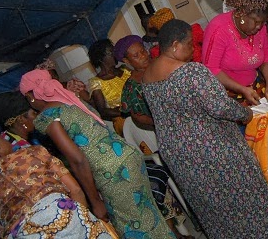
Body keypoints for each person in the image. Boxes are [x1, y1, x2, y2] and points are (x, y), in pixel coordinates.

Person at [142, 19, 268, 239]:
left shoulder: (147, 75)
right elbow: (220, 107)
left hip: (177, 154)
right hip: (212, 148)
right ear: (174, 45)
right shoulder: (191, 72)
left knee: (213, 208)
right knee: (247, 195)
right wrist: (246, 114)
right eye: (189, 44)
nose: (193, 50)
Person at [18, 69, 173, 238]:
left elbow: (77, 160)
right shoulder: (70, 99)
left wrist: (95, 201)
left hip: (113, 173)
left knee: (134, 228)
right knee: (151, 218)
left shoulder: (47, 117)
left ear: (30, 96)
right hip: (129, 158)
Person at [0, 122, 111, 238]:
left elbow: (3, 233)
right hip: (65, 217)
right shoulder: (33, 153)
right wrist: (82, 219)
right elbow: (75, 190)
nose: (4, 137)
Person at [115, 35, 193, 239]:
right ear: (127, 62)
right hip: (164, 135)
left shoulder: (162, 67)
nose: (143, 56)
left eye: (143, 50)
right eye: (136, 55)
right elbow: (137, 117)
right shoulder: (131, 87)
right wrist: (159, 121)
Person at [202, 0, 268, 106]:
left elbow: (266, 54)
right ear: (241, 13)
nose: (259, 27)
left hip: (254, 84)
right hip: (229, 95)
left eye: (263, 22)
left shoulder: (259, 28)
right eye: (256, 21)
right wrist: (242, 89)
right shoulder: (218, 29)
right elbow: (211, 68)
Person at [88, 39, 130, 135]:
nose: (114, 54)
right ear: (100, 58)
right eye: (111, 52)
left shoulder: (125, 69)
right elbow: (103, 111)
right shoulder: (96, 82)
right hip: (123, 121)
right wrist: (128, 112)